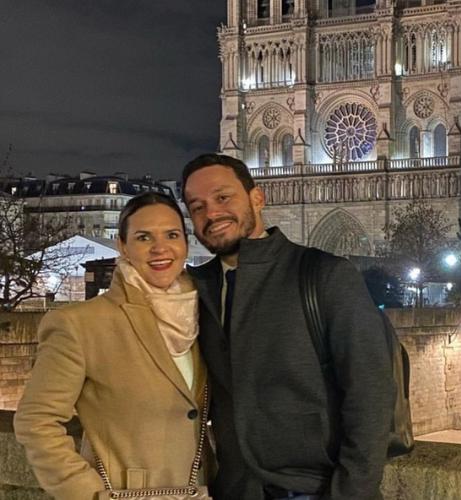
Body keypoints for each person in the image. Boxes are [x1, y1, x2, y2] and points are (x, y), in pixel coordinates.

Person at [181, 153, 395, 500]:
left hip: (314, 490)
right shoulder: (193, 289)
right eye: (197, 207)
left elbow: (371, 395)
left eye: (223, 197)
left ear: (257, 198)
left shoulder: (324, 275)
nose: (211, 213)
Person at [15, 192, 208, 500]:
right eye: (144, 237)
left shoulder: (203, 315)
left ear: (185, 243)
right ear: (122, 246)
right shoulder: (81, 323)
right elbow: (36, 421)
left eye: (172, 234)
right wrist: (86, 493)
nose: (161, 248)